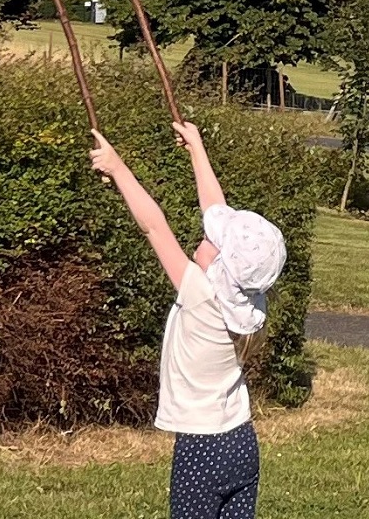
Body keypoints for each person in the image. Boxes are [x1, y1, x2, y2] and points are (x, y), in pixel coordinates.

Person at [90, 121, 286, 519]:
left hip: (202, 449)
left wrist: (117, 168)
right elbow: (216, 210)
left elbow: (153, 225)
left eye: (216, 239)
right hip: (241, 442)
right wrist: (196, 148)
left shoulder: (200, 294)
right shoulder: (251, 304)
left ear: (224, 268)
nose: (208, 232)